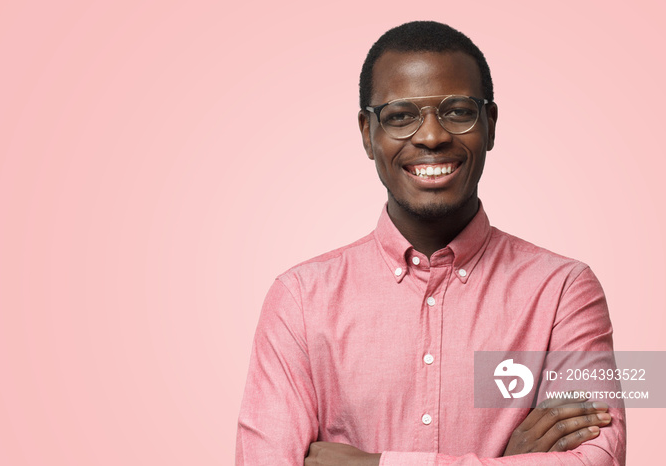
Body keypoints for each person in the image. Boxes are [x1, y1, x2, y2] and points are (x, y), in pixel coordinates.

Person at [236, 21, 626, 465]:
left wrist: (379, 464)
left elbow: (598, 459)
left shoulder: (564, 290)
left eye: (457, 111)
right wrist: (504, 460)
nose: (432, 136)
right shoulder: (299, 301)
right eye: (400, 116)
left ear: (490, 125)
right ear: (367, 133)